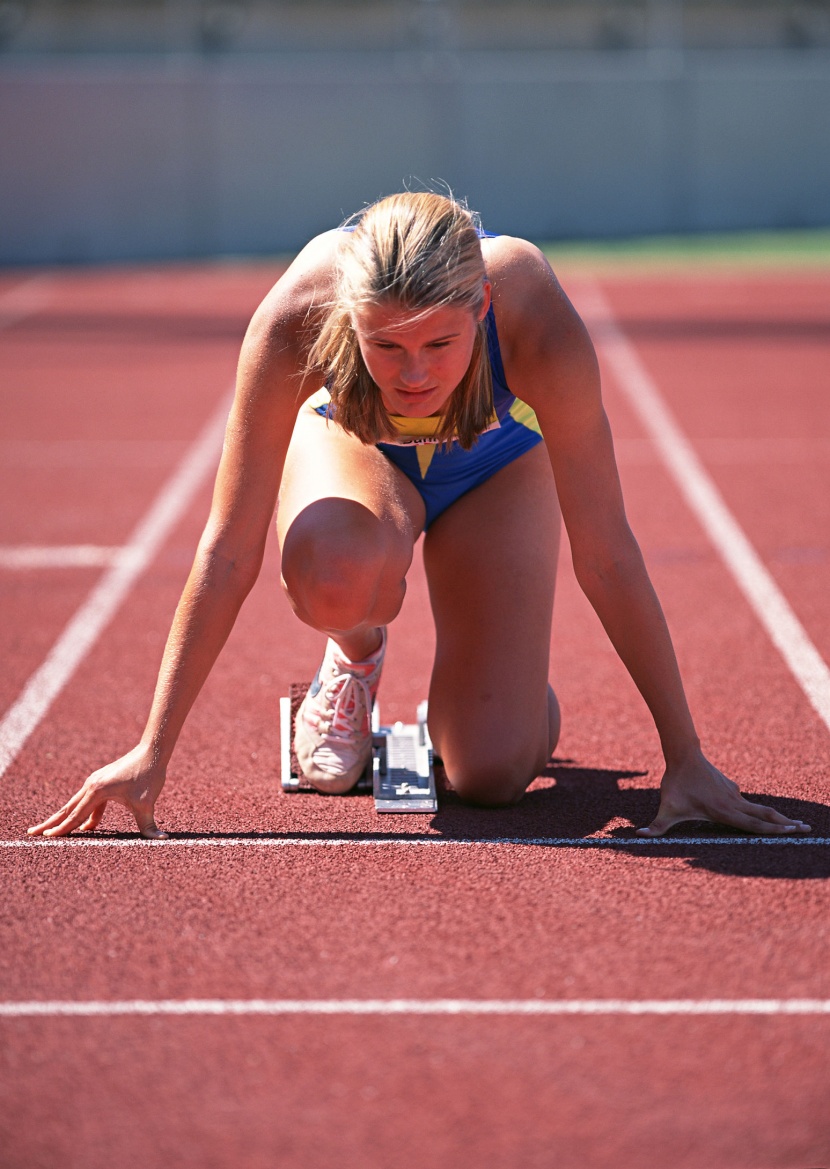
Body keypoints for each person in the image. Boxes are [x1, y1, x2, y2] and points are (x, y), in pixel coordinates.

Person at [29, 192, 810, 840]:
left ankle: (506, 689)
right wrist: (151, 750)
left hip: (495, 467)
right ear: (347, 316)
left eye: (440, 343)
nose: (414, 375)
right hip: (358, 455)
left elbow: (606, 552)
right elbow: (229, 549)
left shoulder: (536, 316)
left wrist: (685, 756)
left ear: (483, 305)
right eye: (385, 345)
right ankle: (354, 655)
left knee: (494, 774)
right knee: (336, 574)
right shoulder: (295, 316)